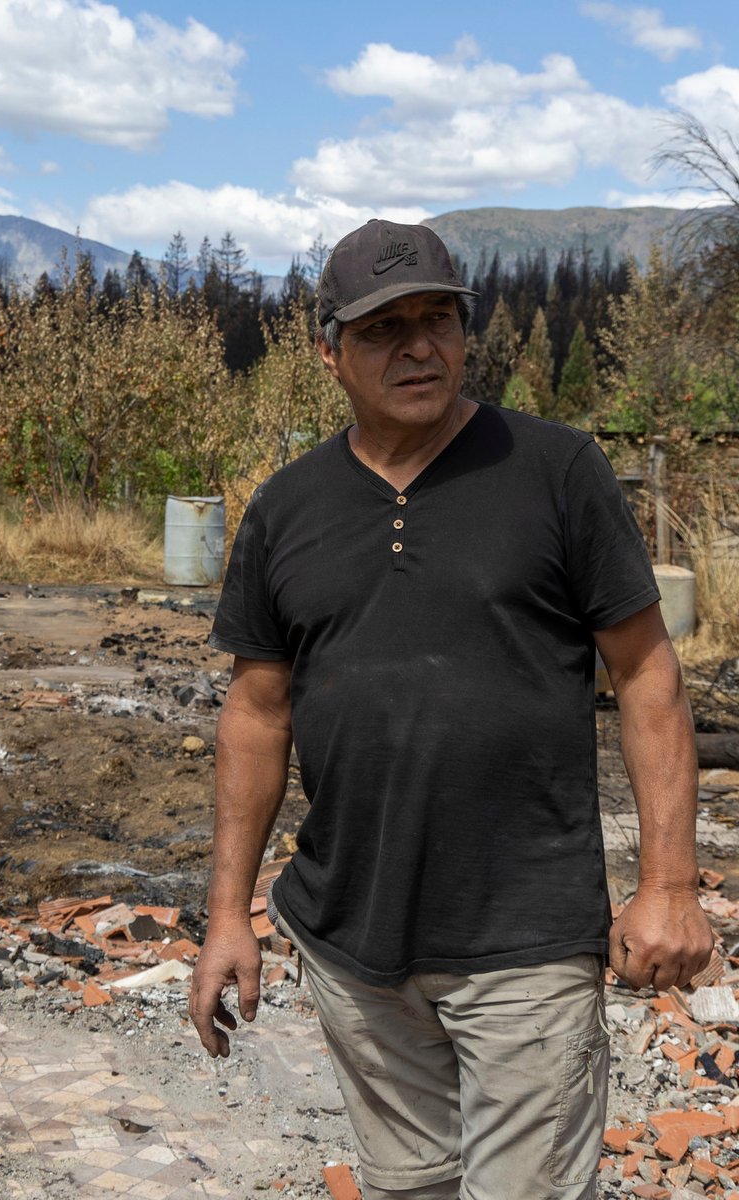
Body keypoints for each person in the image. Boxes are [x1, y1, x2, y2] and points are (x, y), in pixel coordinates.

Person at [187, 218, 714, 1198]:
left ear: (467, 333)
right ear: (328, 350)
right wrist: (227, 916)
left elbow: (646, 675)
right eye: (385, 327)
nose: (418, 346)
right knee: (406, 1187)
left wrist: (669, 884)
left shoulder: (554, 471)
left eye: (438, 318)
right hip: (351, 945)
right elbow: (256, 715)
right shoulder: (285, 508)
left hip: (524, 938)